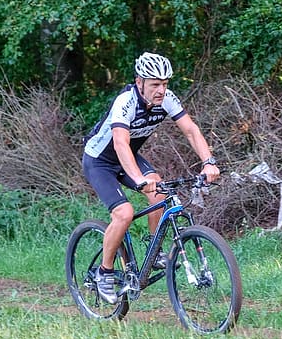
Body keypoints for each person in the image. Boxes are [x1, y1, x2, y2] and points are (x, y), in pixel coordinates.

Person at [82, 52, 220, 304]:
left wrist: (208, 161)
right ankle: (105, 273)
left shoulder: (167, 99)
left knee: (159, 191)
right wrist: (137, 177)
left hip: (129, 157)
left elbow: (191, 130)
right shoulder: (126, 102)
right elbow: (121, 143)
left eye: (165, 83)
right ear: (139, 82)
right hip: (100, 161)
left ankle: (153, 250)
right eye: (155, 84)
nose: (161, 90)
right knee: (123, 213)